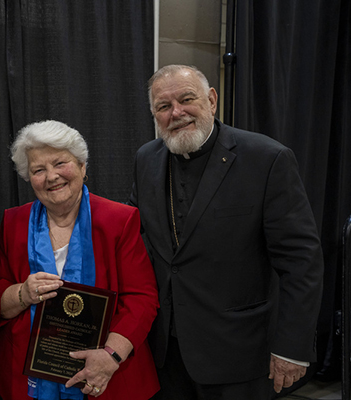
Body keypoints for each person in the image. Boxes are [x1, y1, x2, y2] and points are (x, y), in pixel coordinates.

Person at [128, 64, 324, 399]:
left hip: (240, 354)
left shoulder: (267, 159)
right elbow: (133, 240)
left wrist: (292, 348)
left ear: (212, 100)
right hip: (166, 354)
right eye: (163, 106)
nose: (176, 112)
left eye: (187, 99)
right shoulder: (146, 158)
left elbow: (301, 262)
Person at [0, 120, 160, 400]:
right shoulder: (13, 222)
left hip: (107, 377)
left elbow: (142, 297)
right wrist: (22, 293)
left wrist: (110, 356)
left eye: (60, 163)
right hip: (26, 378)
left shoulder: (119, 220)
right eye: (38, 170)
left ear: (82, 166)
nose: (51, 176)